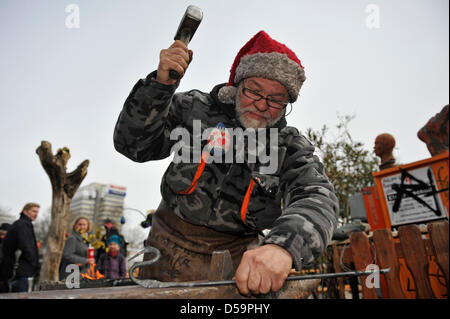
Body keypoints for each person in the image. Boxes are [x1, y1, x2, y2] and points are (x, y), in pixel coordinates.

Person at [113, 30, 338, 296]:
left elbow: (317, 196)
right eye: (254, 91)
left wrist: (284, 245)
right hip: (163, 260)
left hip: (239, 274)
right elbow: (133, 145)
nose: (263, 105)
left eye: (276, 100)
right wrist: (160, 87)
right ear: (237, 85)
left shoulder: (288, 146)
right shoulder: (193, 108)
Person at [0, 203, 40, 293]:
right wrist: (33, 262)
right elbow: (26, 246)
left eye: (37, 212)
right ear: (25, 211)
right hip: (19, 271)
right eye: (33, 211)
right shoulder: (23, 225)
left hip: (18, 269)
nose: (36, 214)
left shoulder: (23, 224)